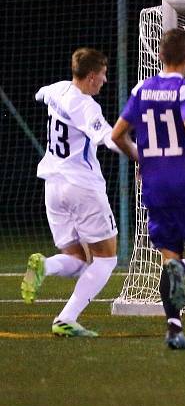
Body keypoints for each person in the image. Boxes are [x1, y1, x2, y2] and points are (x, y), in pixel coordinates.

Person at [111, 28, 185, 350]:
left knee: (168, 256)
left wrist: (142, 158)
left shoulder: (142, 89)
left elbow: (117, 135)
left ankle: (174, 329)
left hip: (156, 186)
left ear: (160, 56)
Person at [22, 48, 124, 337]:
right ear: (91, 77)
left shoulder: (57, 89)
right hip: (82, 187)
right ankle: (66, 318)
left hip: (53, 186)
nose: (104, 80)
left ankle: (44, 265)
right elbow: (108, 137)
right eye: (103, 74)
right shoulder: (87, 106)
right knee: (106, 259)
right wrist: (143, 155)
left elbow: (40, 93)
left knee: (79, 260)